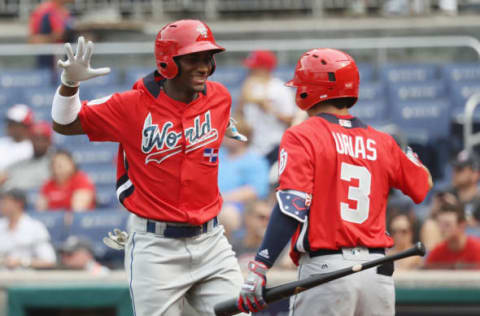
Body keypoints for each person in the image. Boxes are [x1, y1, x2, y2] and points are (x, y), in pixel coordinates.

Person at [50, 20, 244, 316]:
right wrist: (70, 84)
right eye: (193, 58)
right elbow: (63, 123)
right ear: (168, 63)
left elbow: (210, 122)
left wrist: (223, 126)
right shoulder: (132, 105)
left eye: (208, 58)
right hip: (157, 247)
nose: (204, 66)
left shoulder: (219, 97)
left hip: (212, 241)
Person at [236, 48, 433, 315]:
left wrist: (260, 265)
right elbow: (423, 186)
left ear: (309, 90)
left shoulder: (302, 135)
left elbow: (292, 206)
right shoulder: (382, 140)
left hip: (326, 273)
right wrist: (411, 157)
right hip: (377, 274)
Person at [235, 50, 297, 165]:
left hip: (275, 146)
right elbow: (241, 119)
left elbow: (291, 120)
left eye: (254, 67)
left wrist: (268, 109)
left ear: (264, 68)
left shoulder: (280, 88)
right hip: (253, 149)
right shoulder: (249, 88)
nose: (250, 70)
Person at [0, 189, 56, 270]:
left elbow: (49, 261)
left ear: (18, 204)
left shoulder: (35, 227)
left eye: (6, 202)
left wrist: (21, 262)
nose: (2, 205)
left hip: (25, 277)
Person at [424, 199, 480, 269]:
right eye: (439, 224)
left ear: (461, 225)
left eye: (447, 225)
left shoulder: (477, 250)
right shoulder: (437, 253)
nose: (442, 229)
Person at [1, 121, 54, 191]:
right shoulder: (22, 160)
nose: (39, 143)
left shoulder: (55, 162)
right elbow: (5, 175)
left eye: (43, 139)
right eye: (35, 138)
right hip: (13, 197)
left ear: (50, 141)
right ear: (30, 140)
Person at [29, 0, 75, 70]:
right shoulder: (42, 12)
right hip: (48, 67)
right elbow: (32, 40)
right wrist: (53, 37)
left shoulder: (67, 12)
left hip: (67, 66)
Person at [0, 104, 34, 171]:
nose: (9, 126)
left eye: (14, 124)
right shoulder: (2, 142)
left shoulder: (33, 148)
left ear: (25, 126)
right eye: (9, 123)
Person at [448, 149, 480, 221]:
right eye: (454, 169)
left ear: (475, 174)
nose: (454, 173)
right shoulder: (446, 195)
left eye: (459, 169)